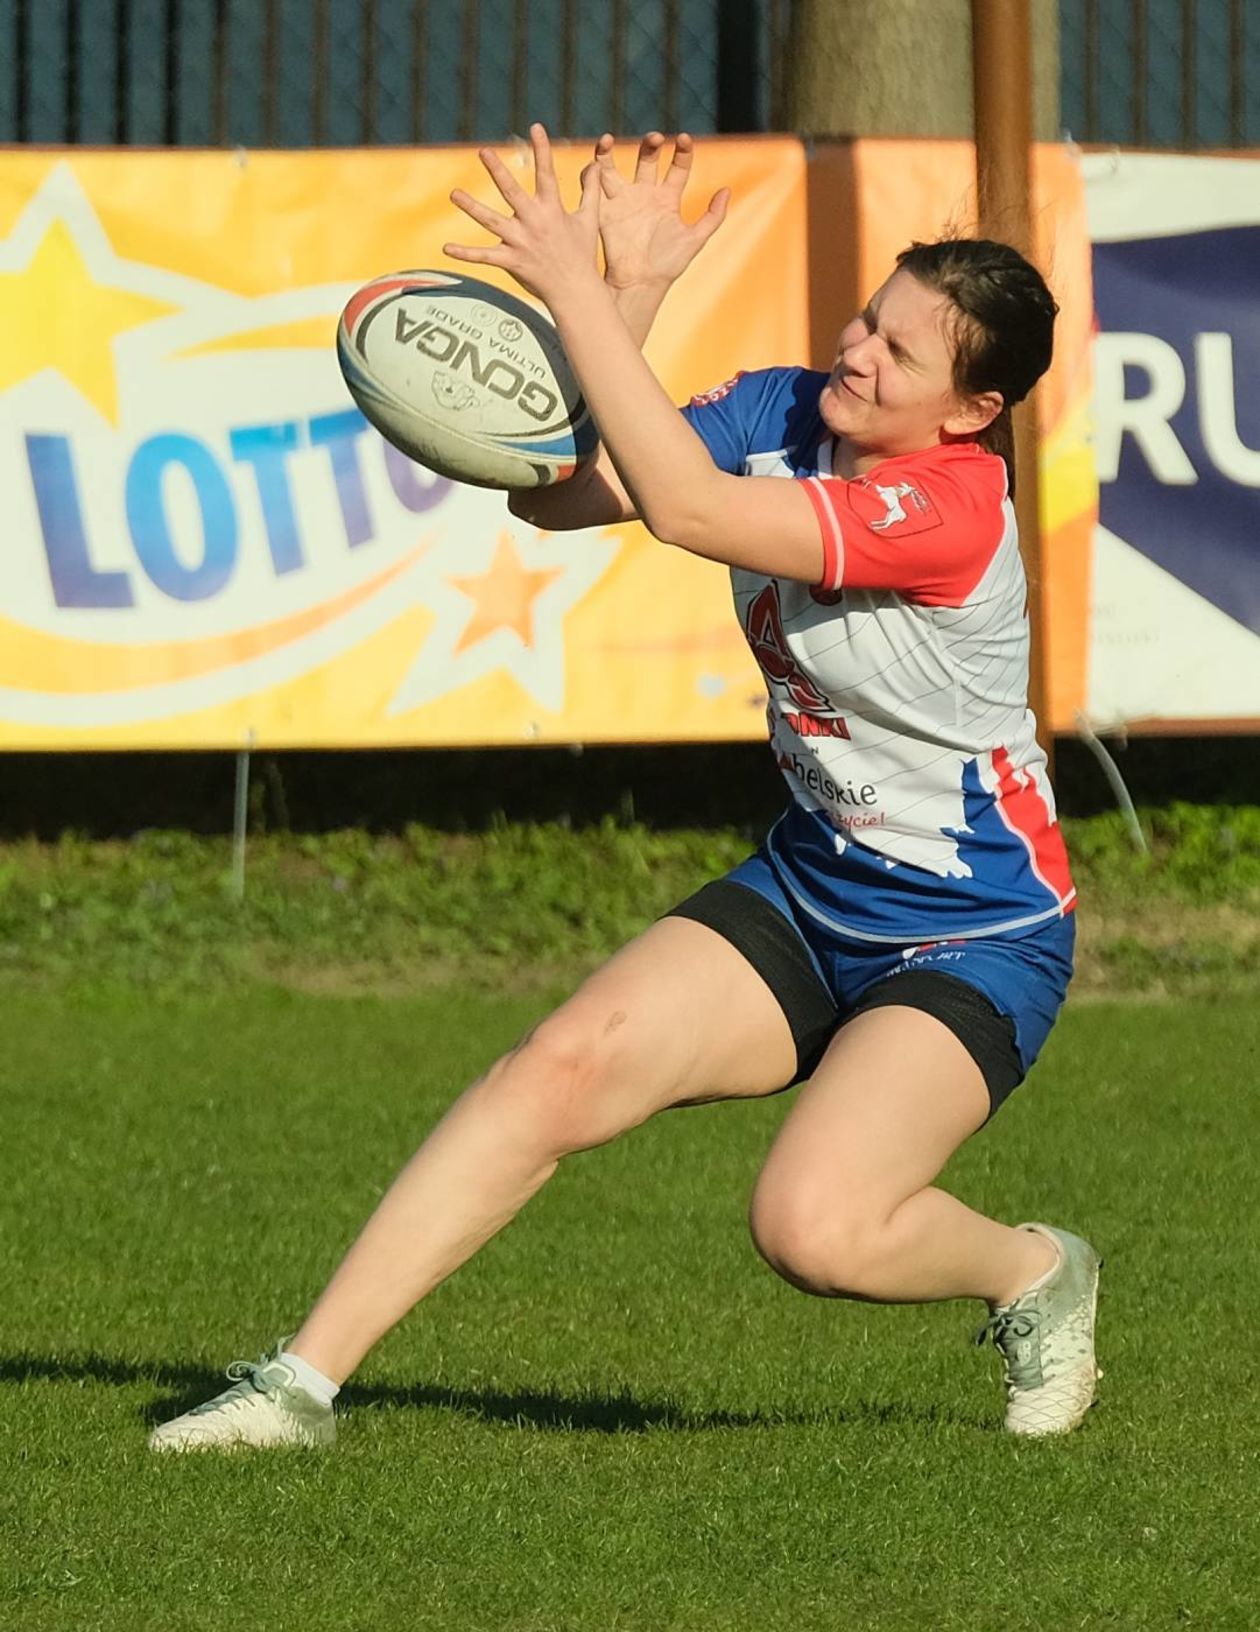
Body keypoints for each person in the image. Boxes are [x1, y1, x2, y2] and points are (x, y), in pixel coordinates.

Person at [150, 126, 1099, 1452]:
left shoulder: (954, 512)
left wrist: (580, 297)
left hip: (977, 929)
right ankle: (294, 1388)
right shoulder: (786, 414)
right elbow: (569, 495)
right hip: (815, 883)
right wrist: (628, 291)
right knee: (557, 1068)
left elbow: (695, 514)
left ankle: (1031, 1273)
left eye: (896, 350)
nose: (855, 347)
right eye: (866, 318)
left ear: (971, 410)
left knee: (811, 1227)